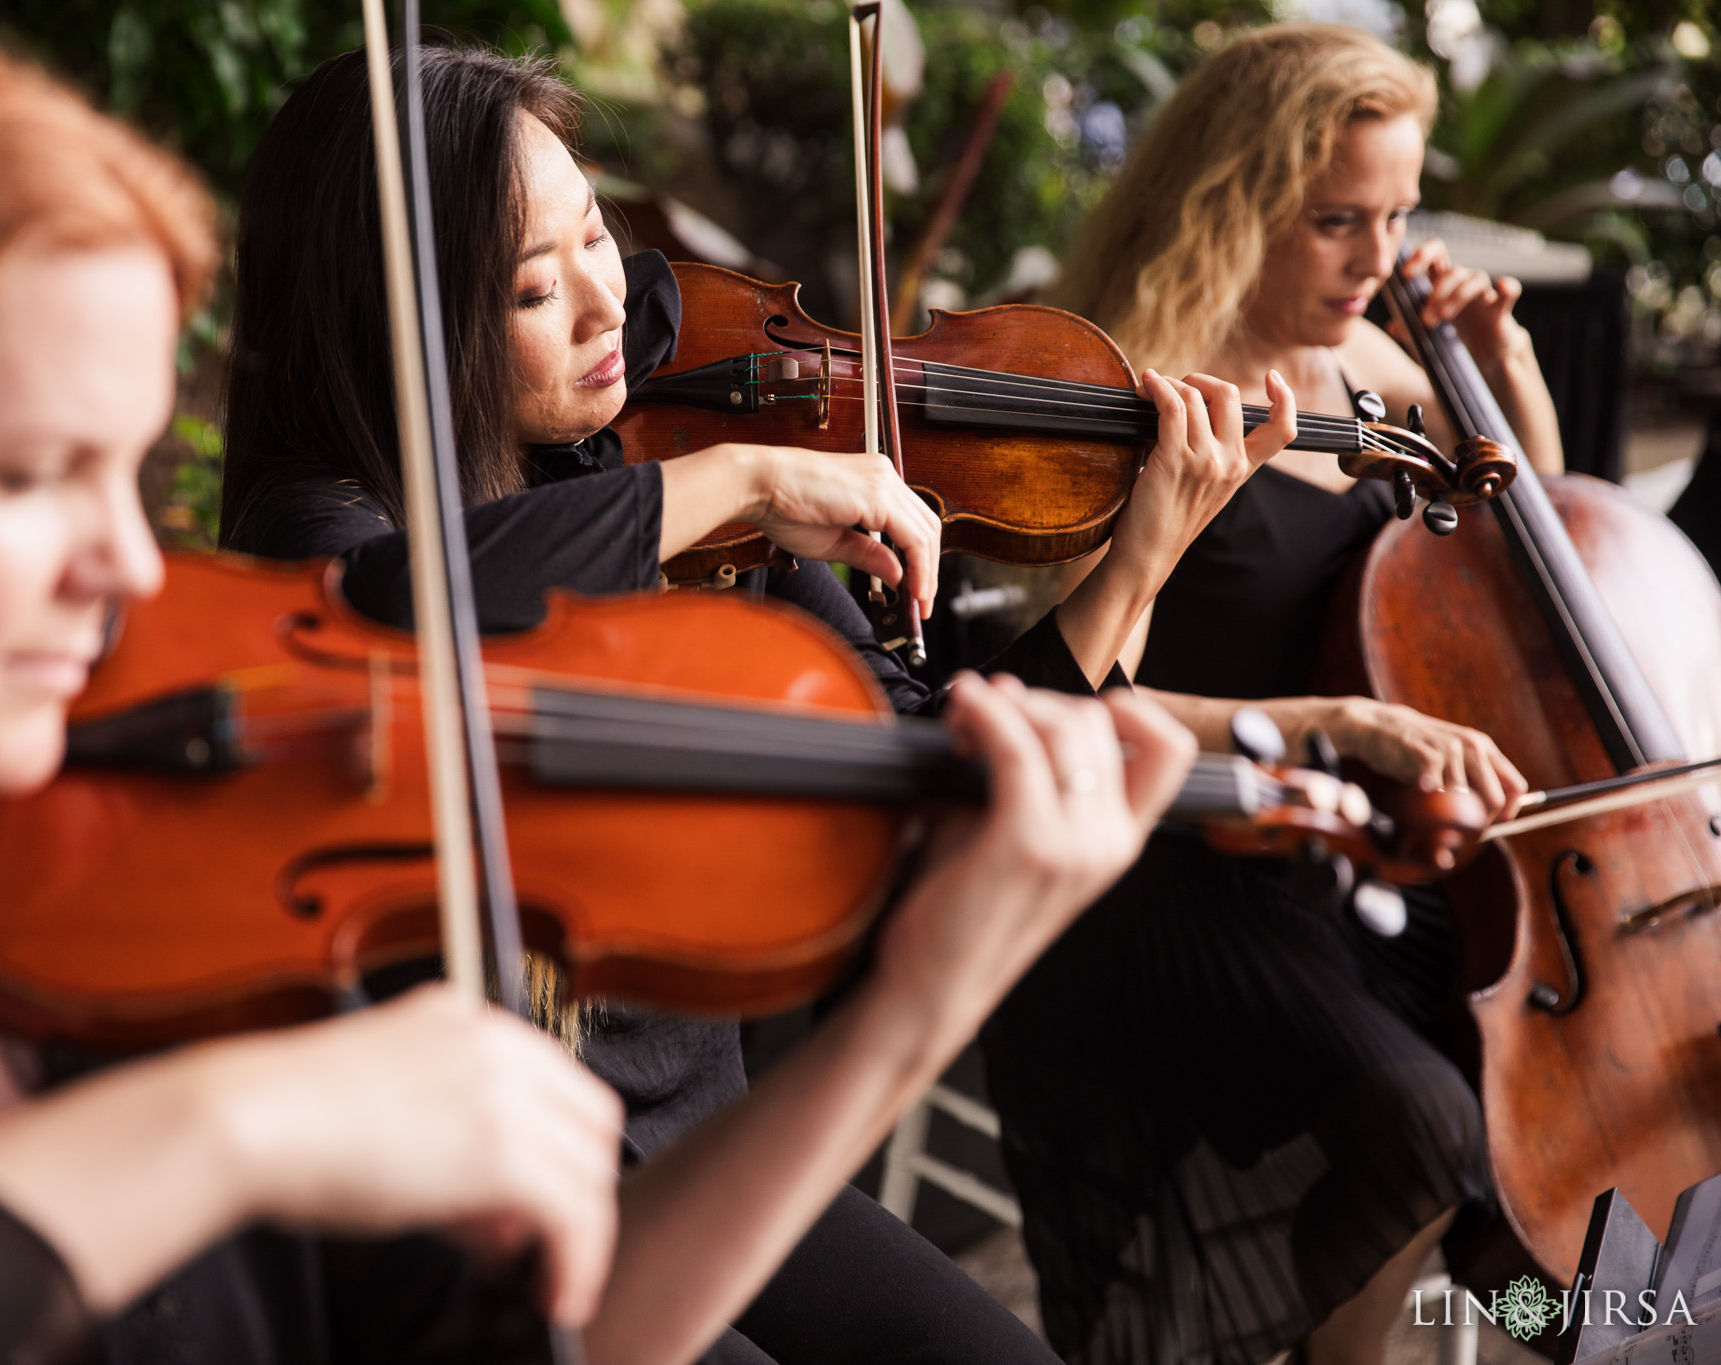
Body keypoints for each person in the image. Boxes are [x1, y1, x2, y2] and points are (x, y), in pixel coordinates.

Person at [0, 10, 1199, 1364]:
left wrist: (916, 1006)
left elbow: (548, 1337)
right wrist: (231, 1130)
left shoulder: (96, 909)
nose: (136, 574)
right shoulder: (311, 620)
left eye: (125, 473)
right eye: (26, 474)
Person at [218, 43, 1291, 1365]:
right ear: (403, 320)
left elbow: (925, 744)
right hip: (498, 1225)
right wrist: (731, 482)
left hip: (709, 1144)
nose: (610, 305)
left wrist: (1138, 570)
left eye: (599, 237)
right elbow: (393, 603)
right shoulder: (328, 531)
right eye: (534, 286)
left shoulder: (644, 460)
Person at [979, 24, 1564, 1365]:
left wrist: (1503, 376)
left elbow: (1524, 558)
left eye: (1398, 216)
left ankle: (1559, 1318)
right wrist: (1338, 722)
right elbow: (1076, 685)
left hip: (1345, 848)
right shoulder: (1132, 394)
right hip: (1173, 851)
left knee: (1515, 1092)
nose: (1377, 258)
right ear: (1235, 202)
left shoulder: (1363, 381)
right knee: (1417, 1119)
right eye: (1335, 222)